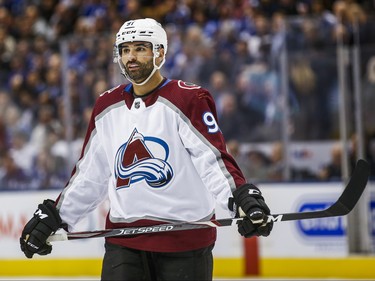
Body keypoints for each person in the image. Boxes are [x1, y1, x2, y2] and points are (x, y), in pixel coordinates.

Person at [20, 18, 273, 281]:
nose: (131, 56)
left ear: (160, 52)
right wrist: (57, 216)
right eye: (125, 49)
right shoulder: (107, 105)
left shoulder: (188, 99)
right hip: (124, 242)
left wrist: (240, 198)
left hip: (184, 241)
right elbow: (90, 174)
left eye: (141, 48)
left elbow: (212, 160)